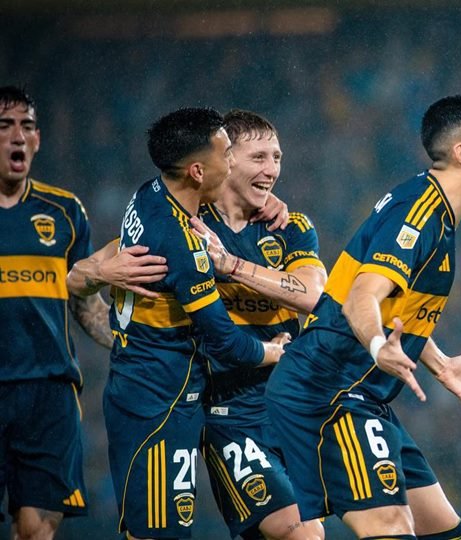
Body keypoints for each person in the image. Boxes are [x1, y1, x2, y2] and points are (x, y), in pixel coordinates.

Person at [265, 95, 461, 539]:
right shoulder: (418, 212)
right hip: (328, 391)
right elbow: (362, 297)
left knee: (442, 528)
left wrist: (439, 365)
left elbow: (390, 307)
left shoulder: (435, 213)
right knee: (390, 526)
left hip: (361, 393)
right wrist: (378, 347)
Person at [66, 107, 285, 540]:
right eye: (228, 154)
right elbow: (224, 340)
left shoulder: (150, 194)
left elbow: (78, 277)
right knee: (159, 533)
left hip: (144, 387)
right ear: (199, 170)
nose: (233, 161)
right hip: (160, 403)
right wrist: (271, 352)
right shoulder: (184, 248)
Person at [0, 85, 164, 540]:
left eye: (27, 127)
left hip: (48, 390)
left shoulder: (66, 211)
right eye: (5, 126)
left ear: (37, 140)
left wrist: (128, 340)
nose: (18, 136)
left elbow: (85, 303)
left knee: (37, 528)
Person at [187, 109, 328, 540]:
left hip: (290, 408)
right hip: (229, 412)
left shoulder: (291, 227)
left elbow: (312, 294)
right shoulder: (189, 226)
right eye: (260, 157)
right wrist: (91, 275)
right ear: (226, 160)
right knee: (302, 532)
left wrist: (231, 266)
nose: (272, 171)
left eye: (278, 158)